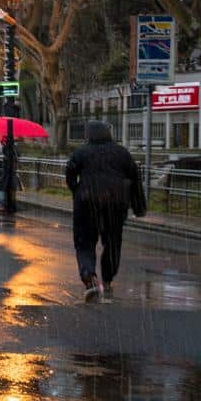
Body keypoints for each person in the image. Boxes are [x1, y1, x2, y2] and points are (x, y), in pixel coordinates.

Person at [65, 120, 146, 301]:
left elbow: (70, 173)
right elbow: (135, 177)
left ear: (89, 135)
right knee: (112, 243)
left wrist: (77, 190)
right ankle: (107, 278)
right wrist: (138, 206)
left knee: (84, 242)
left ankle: (88, 274)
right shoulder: (122, 153)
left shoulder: (81, 152)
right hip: (115, 204)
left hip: (87, 203)